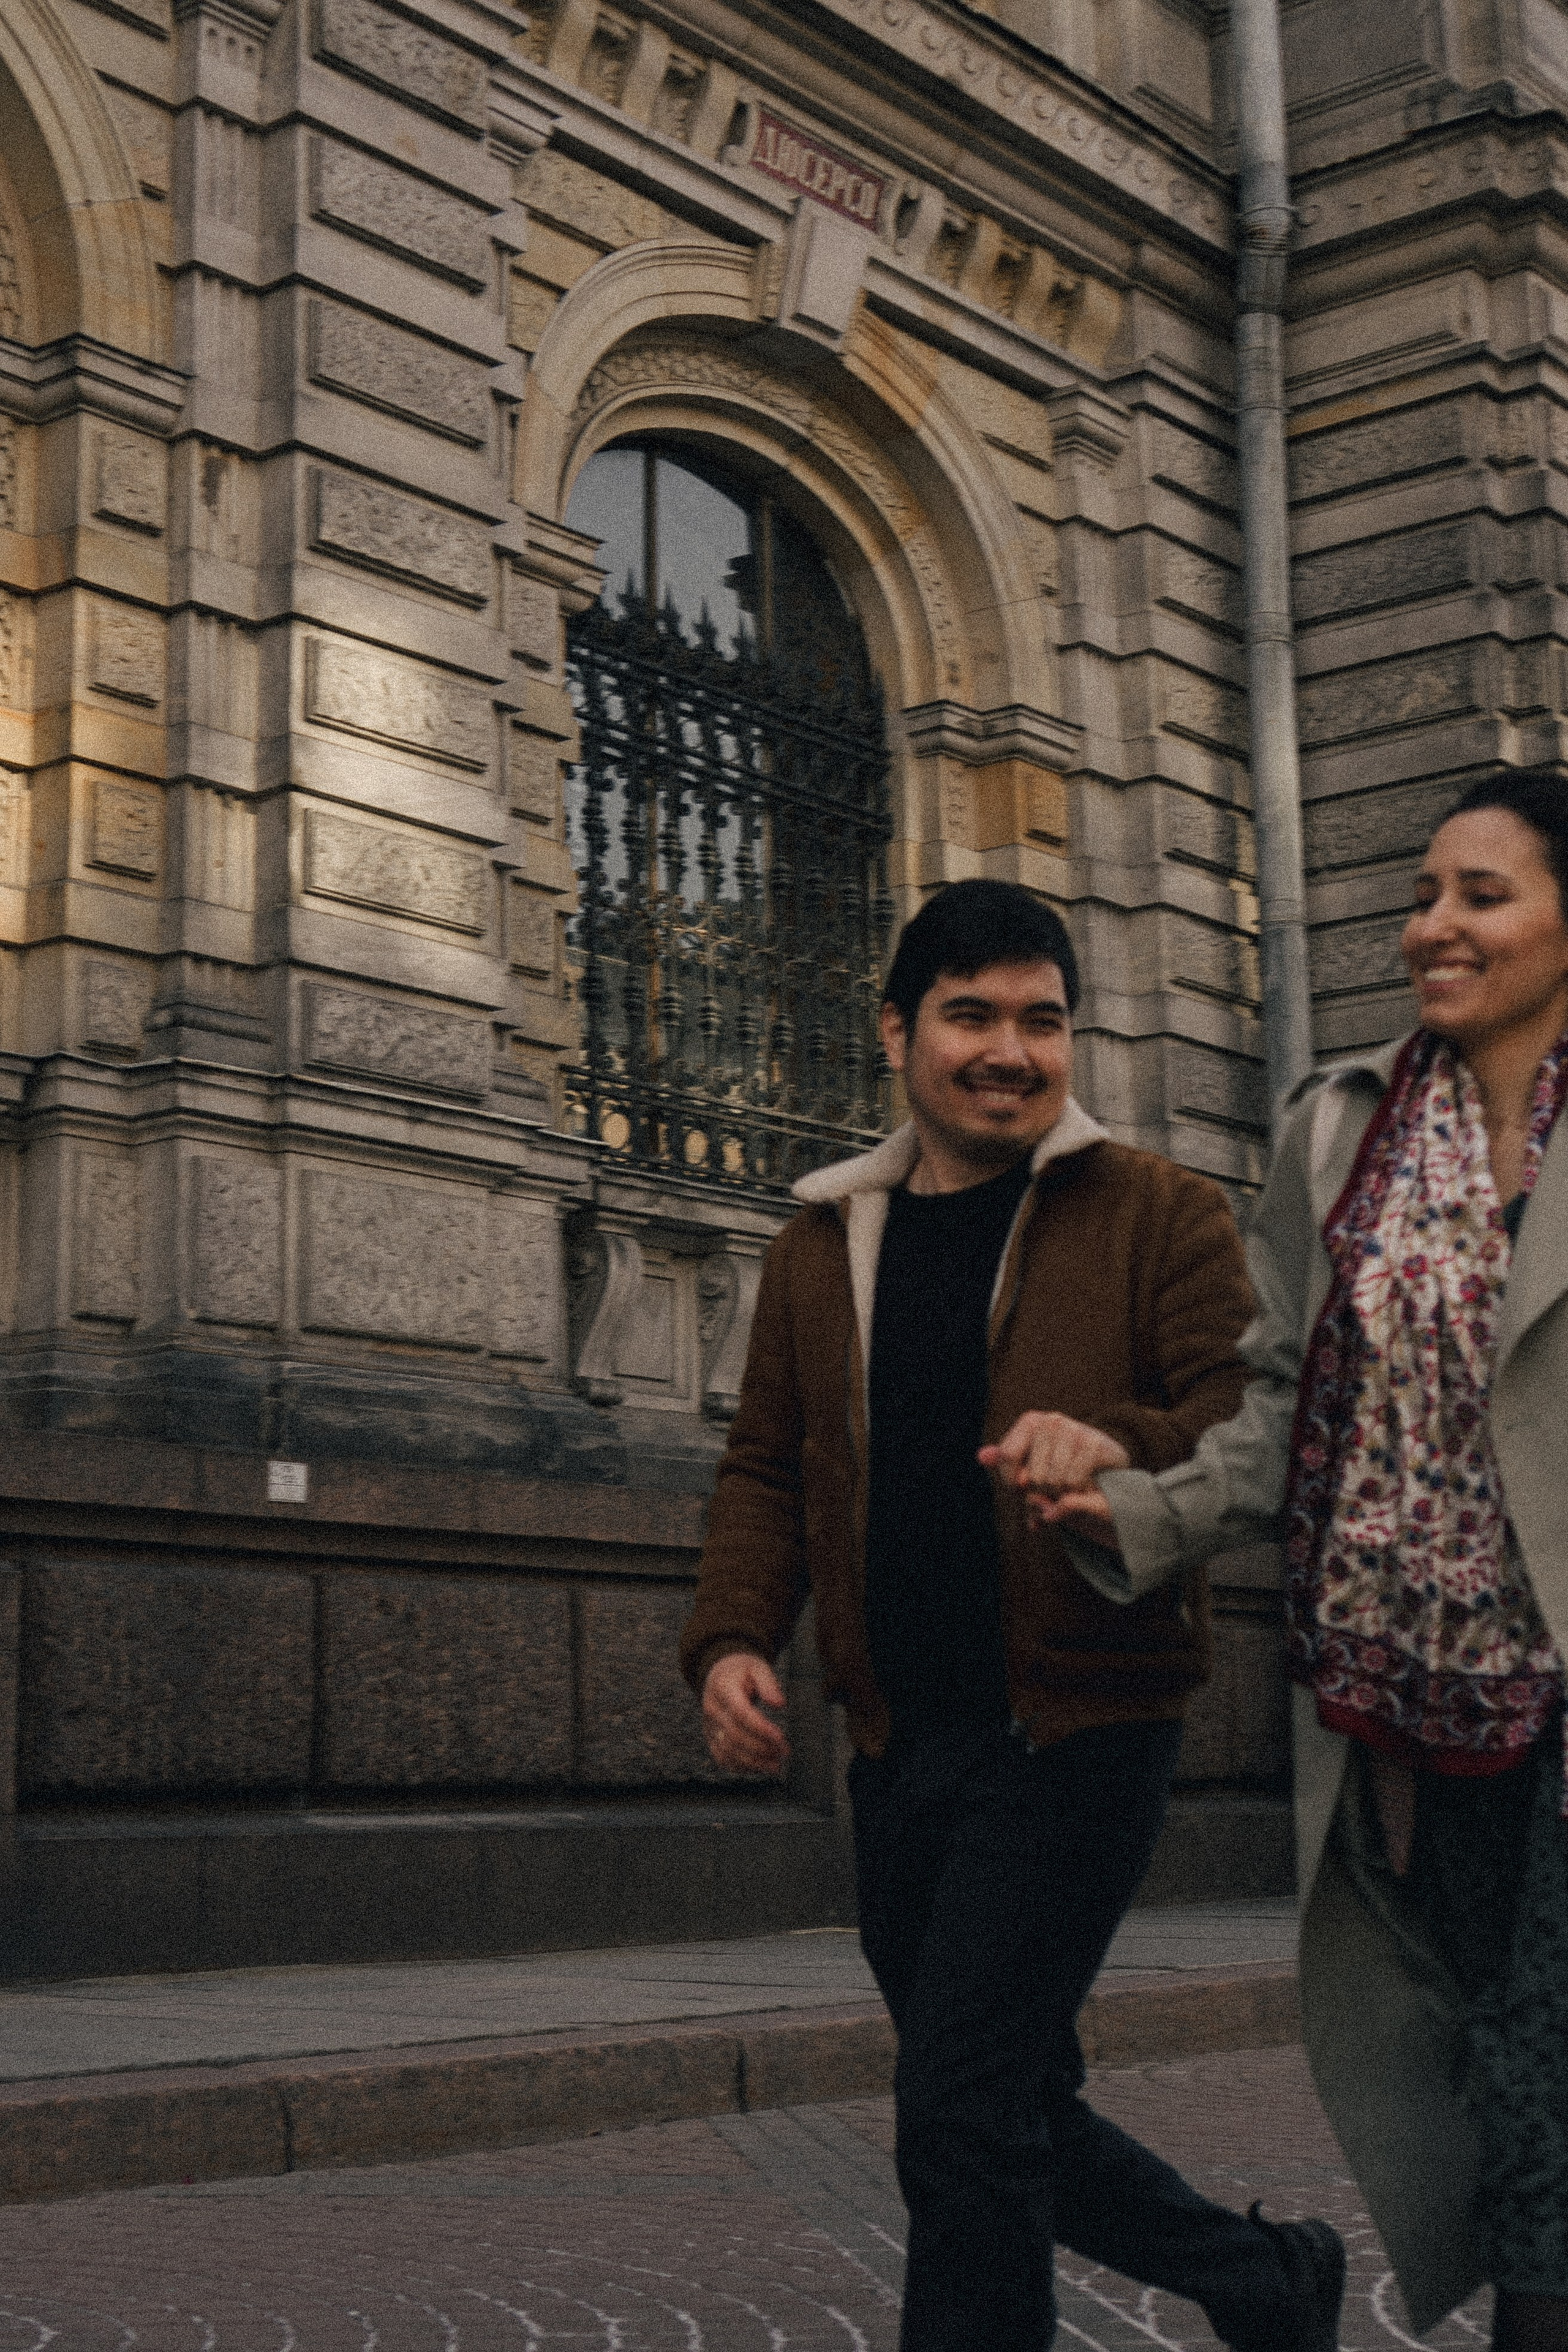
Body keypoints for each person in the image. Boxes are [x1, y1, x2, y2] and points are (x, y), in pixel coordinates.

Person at [679, 877, 1348, 2352]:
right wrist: (731, 1639)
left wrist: (1110, 1441)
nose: (1010, 1052)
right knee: (998, 2098)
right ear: (897, 1033)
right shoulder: (819, 1240)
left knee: (960, 2112)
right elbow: (767, 1470)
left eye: (1041, 1022)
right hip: (899, 1743)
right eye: (970, 1016)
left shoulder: (1157, 1210)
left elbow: (1246, 1421)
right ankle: (1260, 2280)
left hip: (1078, 1731)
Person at [1005, 770, 1568, 2351]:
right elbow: (1283, 1407)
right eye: (1426, 896)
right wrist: (1143, 1506)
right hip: (1422, 1693)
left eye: (1481, 895)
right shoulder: (1342, 1130)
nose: (1431, 928)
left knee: (1543, 2070)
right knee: (1482, 2048)